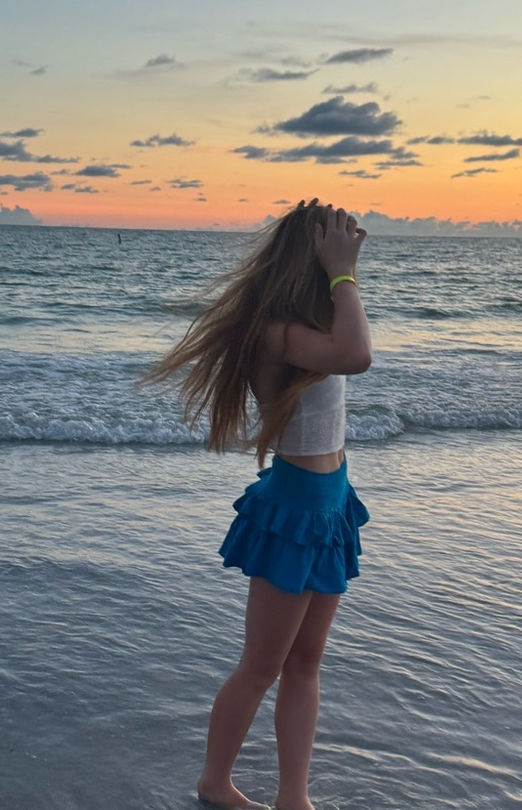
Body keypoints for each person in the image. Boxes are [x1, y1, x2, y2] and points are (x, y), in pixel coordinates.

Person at [149, 199, 372, 810]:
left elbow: (348, 348)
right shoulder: (278, 332)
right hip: (294, 508)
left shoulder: (312, 326)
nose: (351, 250)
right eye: (336, 243)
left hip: (331, 502)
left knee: (305, 664)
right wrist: (344, 272)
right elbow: (358, 356)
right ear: (313, 256)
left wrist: (340, 279)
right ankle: (214, 784)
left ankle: (293, 798)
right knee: (261, 667)